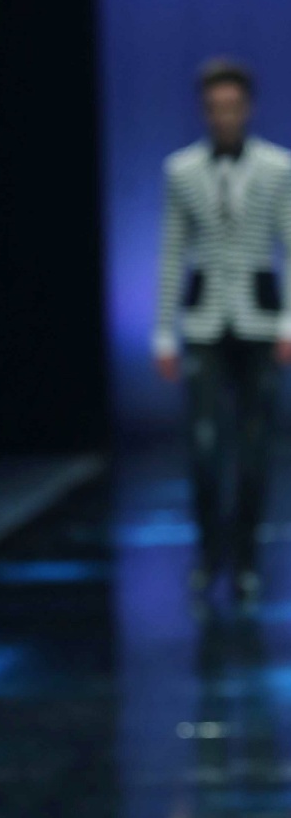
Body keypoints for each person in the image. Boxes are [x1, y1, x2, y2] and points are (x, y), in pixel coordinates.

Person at [153, 56, 291, 608]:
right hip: (206, 322)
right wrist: (164, 331)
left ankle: (249, 560)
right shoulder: (181, 170)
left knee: (256, 450)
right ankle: (212, 554)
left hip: (259, 323)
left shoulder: (278, 167)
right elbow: (171, 251)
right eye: (216, 108)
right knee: (205, 448)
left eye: (233, 106)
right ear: (205, 111)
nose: (225, 116)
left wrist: (288, 321)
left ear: (248, 108)